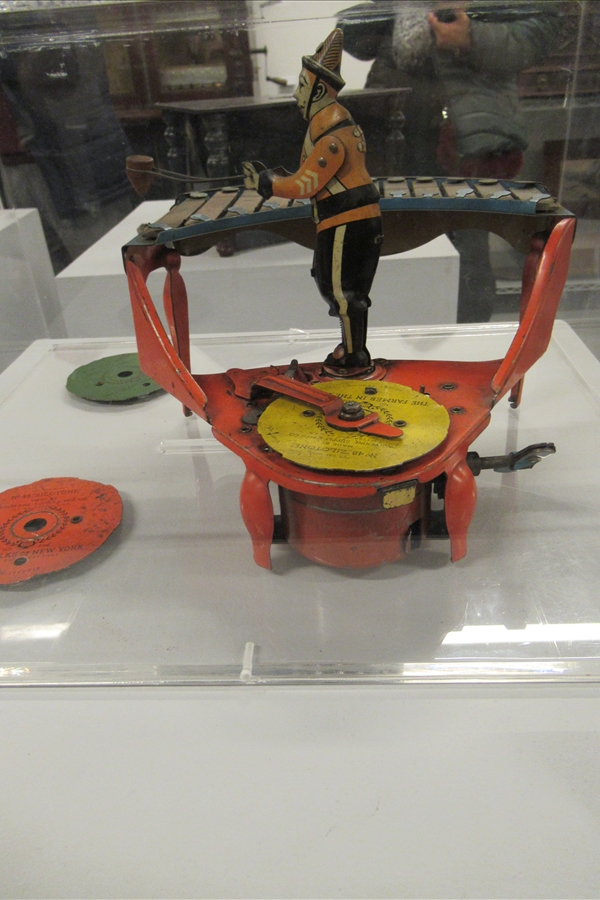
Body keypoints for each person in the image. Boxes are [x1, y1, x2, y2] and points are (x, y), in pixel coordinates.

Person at [339, 1, 561, 322]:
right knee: (390, 243)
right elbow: (353, 39)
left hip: (467, 133)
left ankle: (465, 339)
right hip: (395, 129)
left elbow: (539, 32)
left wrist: (472, 36)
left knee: (467, 247)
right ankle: (393, 336)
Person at [243, 28, 382, 372]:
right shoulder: (329, 125)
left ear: (318, 91)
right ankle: (351, 348)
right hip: (346, 219)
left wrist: (268, 184)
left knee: (342, 290)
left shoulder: (332, 134)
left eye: (302, 87)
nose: (296, 94)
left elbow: (306, 183)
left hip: (347, 221)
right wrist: (272, 178)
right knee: (336, 286)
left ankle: (355, 356)